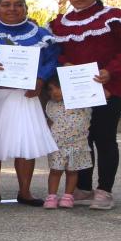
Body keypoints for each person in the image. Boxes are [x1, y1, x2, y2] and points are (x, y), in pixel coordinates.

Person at [48, 0, 121, 211]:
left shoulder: (116, 18)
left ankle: (105, 190)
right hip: (75, 90)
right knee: (81, 138)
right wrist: (65, 63)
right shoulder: (59, 24)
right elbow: (53, 53)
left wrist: (111, 72)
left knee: (105, 137)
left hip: (109, 87)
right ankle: (82, 186)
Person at [0, 0, 60, 207]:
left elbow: (52, 60)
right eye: (6, 5)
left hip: (27, 95)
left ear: (26, 8)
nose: (12, 9)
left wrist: (41, 79)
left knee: (26, 143)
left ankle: (25, 192)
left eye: (17, 5)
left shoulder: (41, 34)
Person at [42, 72, 93, 209]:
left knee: (72, 171)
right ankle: (51, 196)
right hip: (57, 145)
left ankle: (68, 196)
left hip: (77, 144)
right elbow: (48, 121)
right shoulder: (50, 105)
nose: (55, 92)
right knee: (55, 171)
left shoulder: (81, 103)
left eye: (58, 88)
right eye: (51, 89)